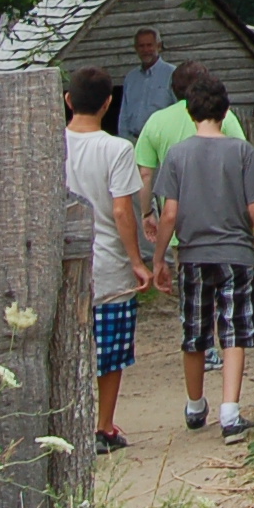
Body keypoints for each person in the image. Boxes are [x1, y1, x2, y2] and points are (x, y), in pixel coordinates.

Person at [152, 77, 254, 441]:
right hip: (236, 254)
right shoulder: (243, 152)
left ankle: (194, 406)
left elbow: (169, 214)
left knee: (195, 331)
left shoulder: (176, 155)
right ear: (226, 111)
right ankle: (230, 412)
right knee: (234, 329)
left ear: (190, 112)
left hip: (192, 255)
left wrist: (160, 258)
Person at [62, 65, 153, 452]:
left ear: (68, 101)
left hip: (63, 261)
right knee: (110, 351)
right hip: (108, 263)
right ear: (108, 104)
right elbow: (121, 211)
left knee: (68, 345)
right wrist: (137, 260)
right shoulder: (118, 149)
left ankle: (68, 423)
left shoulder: (52, 145)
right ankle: (103, 425)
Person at [133, 60, 249, 363]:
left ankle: (202, 343)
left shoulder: (156, 122)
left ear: (173, 91)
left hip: (178, 222)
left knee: (192, 283)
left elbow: (145, 174)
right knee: (226, 285)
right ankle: (227, 340)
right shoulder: (226, 118)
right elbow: (243, 161)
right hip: (223, 221)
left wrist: (147, 213)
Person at [114, 26, 178, 139]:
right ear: (136, 48)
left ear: (158, 46)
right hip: (135, 141)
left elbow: (180, 109)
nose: (145, 50)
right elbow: (123, 115)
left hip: (162, 140)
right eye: (141, 46)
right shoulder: (131, 78)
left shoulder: (173, 74)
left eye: (149, 45)